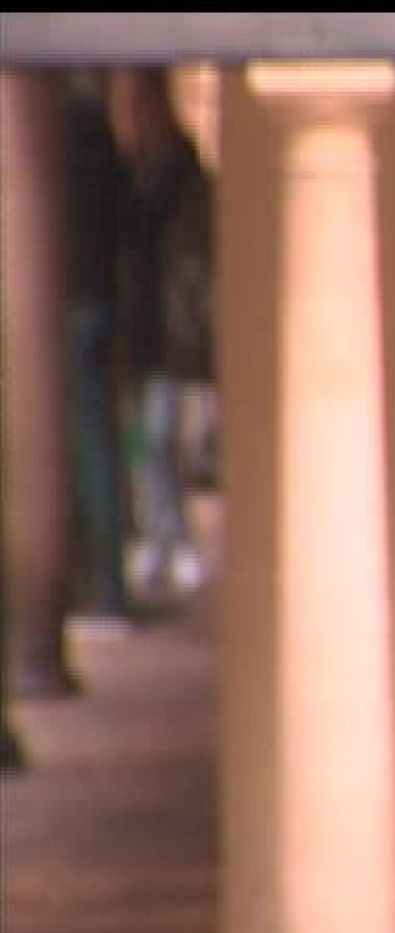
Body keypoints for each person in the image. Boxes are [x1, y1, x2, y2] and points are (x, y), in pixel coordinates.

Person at [106, 65, 213, 601]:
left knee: (167, 439)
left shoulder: (178, 172)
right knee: (149, 443)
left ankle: (176, 541)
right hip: (146, 332)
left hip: (175, 336)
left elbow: (189, 257)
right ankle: (163, 539)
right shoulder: (136, 172)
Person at [62, 68, 136, 636]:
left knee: (91, 447)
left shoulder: (73, 132)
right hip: (98, 299)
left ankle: (105, 593)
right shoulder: (96, 134)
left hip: (78, 303)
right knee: (98, 444)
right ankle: (103, 587)